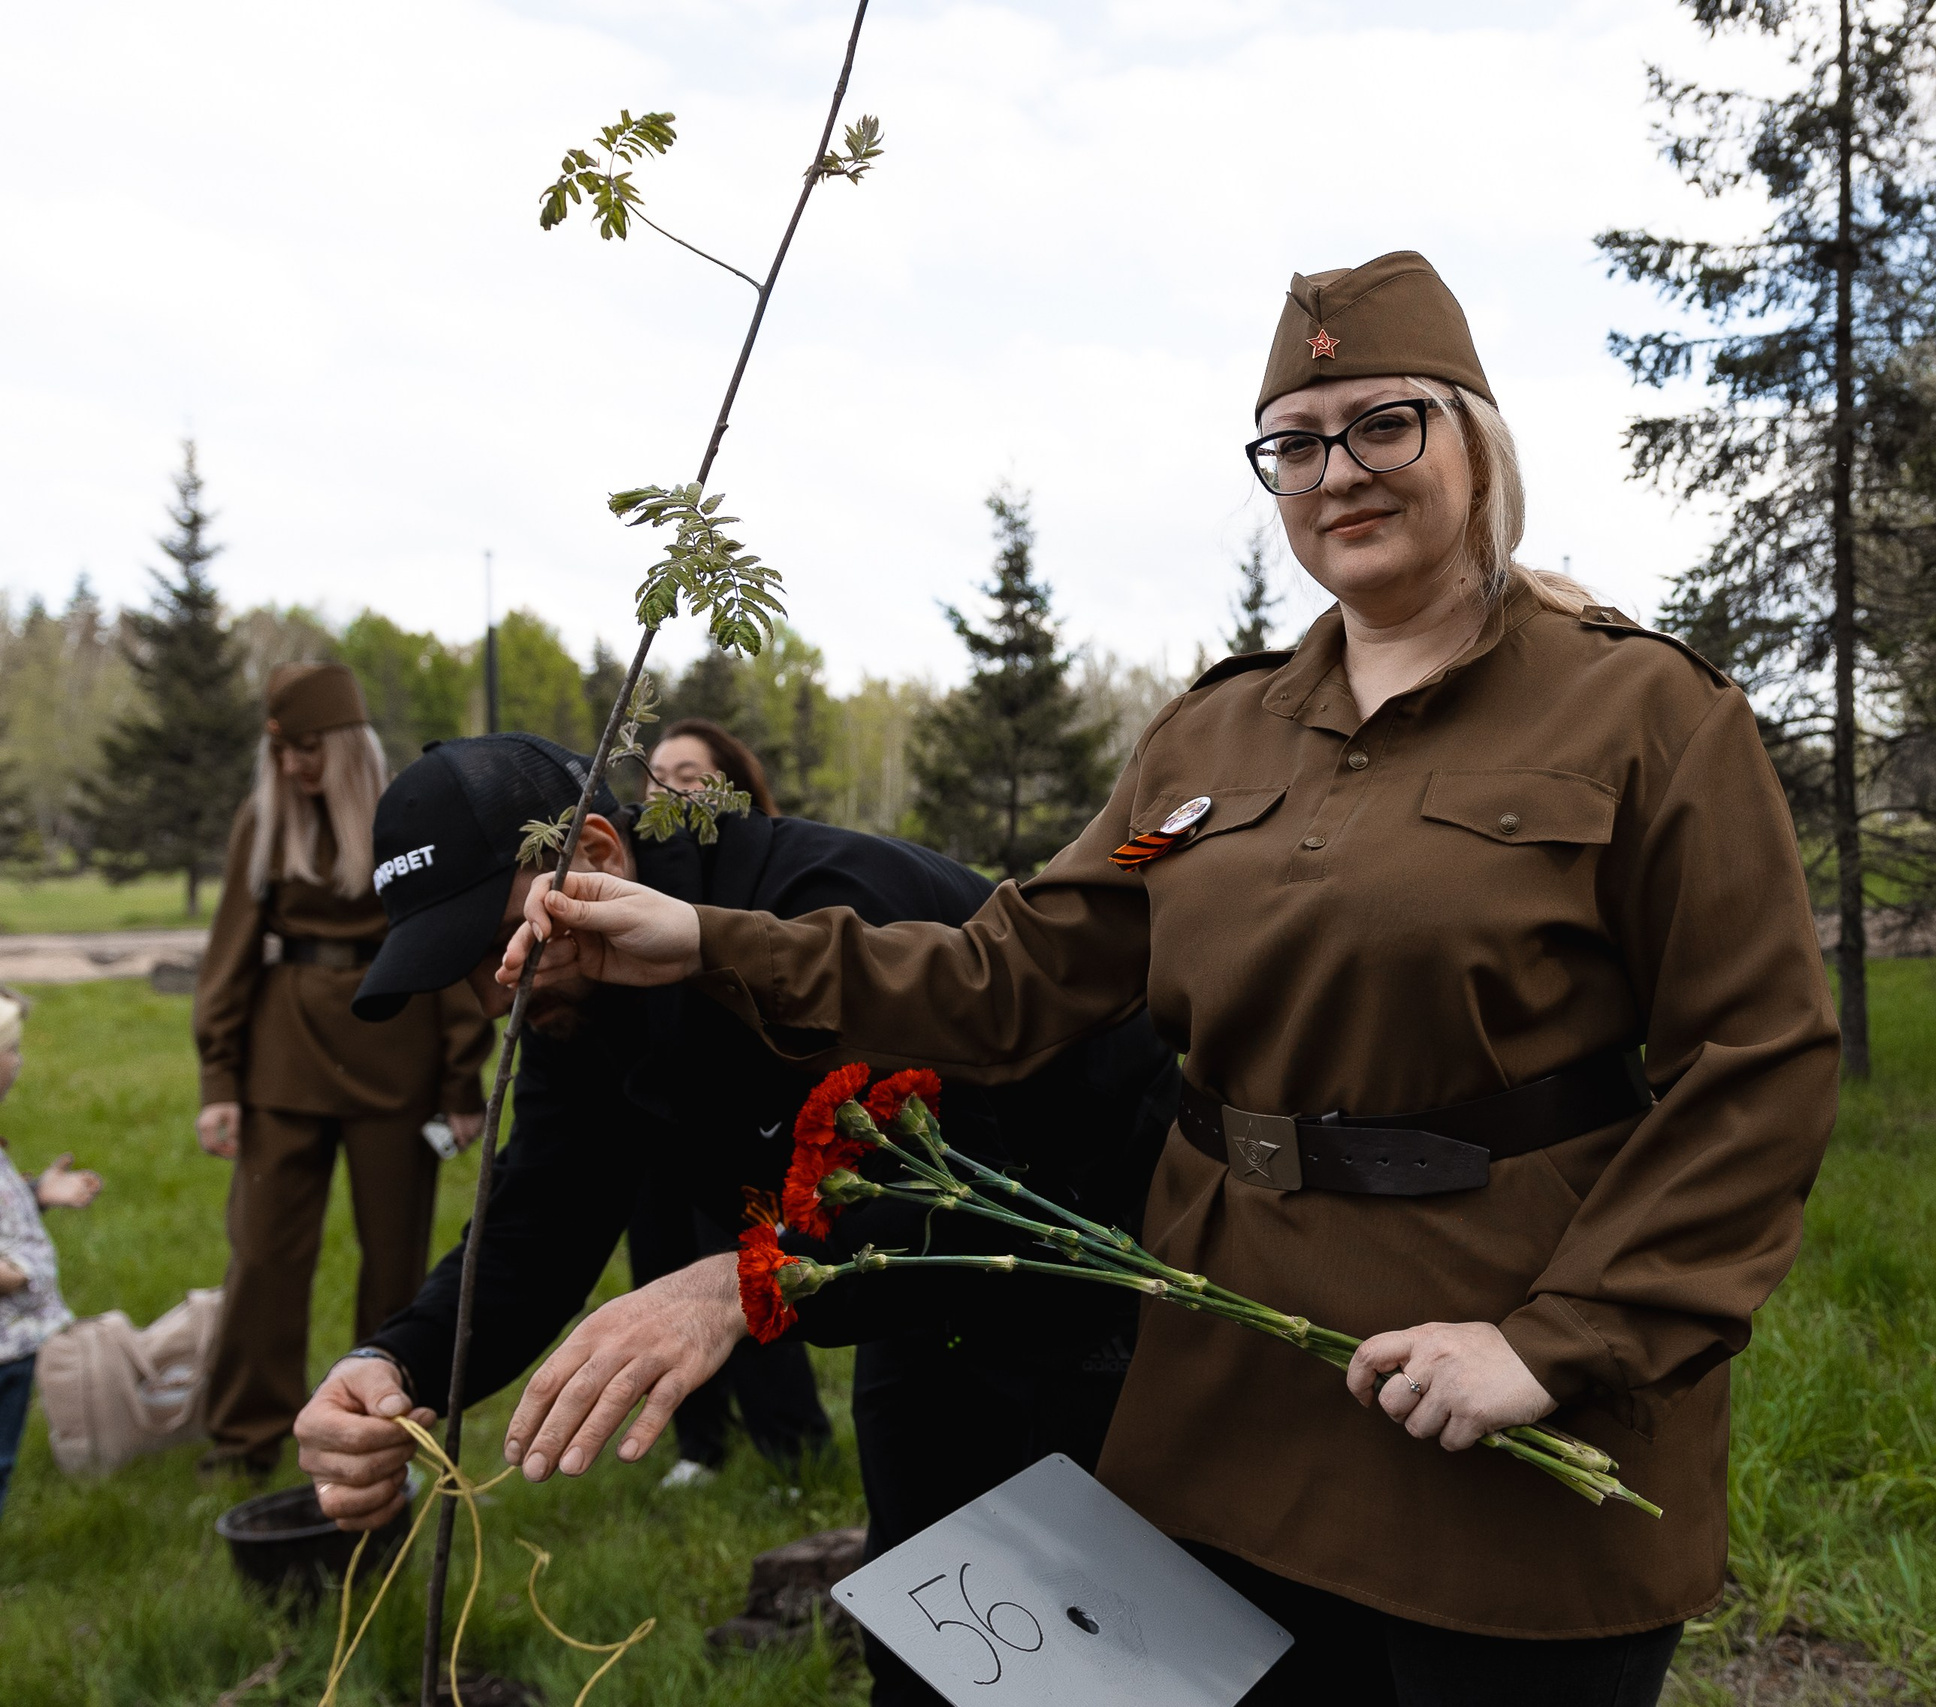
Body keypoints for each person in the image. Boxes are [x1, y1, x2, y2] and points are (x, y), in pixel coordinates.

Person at [499, 251, 1841, 1705]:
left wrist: (1555, 1345)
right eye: (1297, 442)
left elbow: (1756, 1059)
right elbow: (1007, 974)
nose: (1339, 472)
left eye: (1386, 424)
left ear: (1475, 439)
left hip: (1491, 1388)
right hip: (1232, 1399)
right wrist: (702, 939)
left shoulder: (1643, 713)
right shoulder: (1211, 744)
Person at [293, 733, 1177, 1707]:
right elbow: (542, 1209)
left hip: (1096, 1269)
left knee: (1111, 1648)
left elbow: (957, 1191)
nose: (490, 988)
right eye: (454, 967)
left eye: (495, 941)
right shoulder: (559, 984)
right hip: (908, 1307)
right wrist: (392, 1362)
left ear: (593, 854)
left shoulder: (820, 898)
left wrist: (739, 1277)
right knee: (929, 1640)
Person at [192, 663, 494, 1476]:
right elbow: (227, 958)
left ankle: (384, 1424)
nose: (295, 766)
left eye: (309, 749)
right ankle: (248, 1433)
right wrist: (220, 1081)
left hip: (393, 1059)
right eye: (283, 751)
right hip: (282, 1062)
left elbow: (449, 952)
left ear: (348, 745)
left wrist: (461, 1081)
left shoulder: (406, 818)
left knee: (395, 1261)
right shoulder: (264, 822)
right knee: (262, 1256)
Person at [630, 717, 809, 1486]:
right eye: (657, 771)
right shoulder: (633, 879)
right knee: (659, 1267)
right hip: (656, 1112)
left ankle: (791, 1443)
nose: (668, 785)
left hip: (737, 1113)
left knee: (746, 1273)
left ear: (734, 785)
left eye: (691, 773)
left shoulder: (766, 878)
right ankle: (699, 1442)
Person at [0, 987, 107, 1518]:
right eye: (10, 1050)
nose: (18, 1061)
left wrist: (39, 1192)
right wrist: (11, 1276)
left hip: (15, 1343)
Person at [646, 718, 778, 817]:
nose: (668, 791)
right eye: (657, 779)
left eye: (687, 777)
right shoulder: (631, 849)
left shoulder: (782, 848)